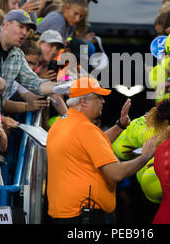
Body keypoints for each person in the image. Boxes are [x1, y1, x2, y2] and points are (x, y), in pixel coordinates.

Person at [46, 76, 157, 223]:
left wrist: (120, 126)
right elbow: (117, 173)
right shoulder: (86, 130)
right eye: (99, 97)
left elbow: (93, 143)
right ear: (83, 101)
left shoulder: (61, 124)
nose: (103, 101)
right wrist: (145, 156)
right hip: (82, 217)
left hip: (63, 215)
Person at [0, 9, 71, 111]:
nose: (25, 33)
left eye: (27, 29)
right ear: (6, 24)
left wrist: (64, 86)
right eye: (21, 27)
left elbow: (35, 83)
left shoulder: (18, 56)